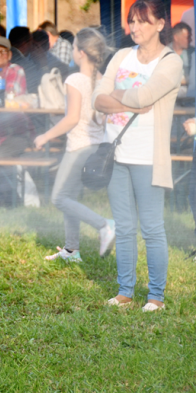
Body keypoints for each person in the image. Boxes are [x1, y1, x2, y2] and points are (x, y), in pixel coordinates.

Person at [93, 0, 183, 312]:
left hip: (148, 157)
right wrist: (125, 101)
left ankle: (156, 296)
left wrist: (114, 97)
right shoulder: (120, 56)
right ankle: (125, 292)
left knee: (152, 228)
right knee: (124, 226)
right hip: (115, 154)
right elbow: (97, 99)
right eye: (132, 21)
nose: (135, 27)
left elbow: (147, 96)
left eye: (143, 21)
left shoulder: (170, 62)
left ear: (160, 24)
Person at [33, 28, 115, 262]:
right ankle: (71, 250)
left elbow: (72, 118)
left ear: (80, 52)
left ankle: (104, 225)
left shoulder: (75, 79)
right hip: (96, 148)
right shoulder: (102, 81)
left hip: (78, 147)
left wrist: (45, 136)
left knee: (59, 198)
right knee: (70, 198)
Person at [171, 22, 193, 94]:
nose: (191, 40)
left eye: (190, 37)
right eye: (187, 37)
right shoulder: (164, 53)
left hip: (191, 97)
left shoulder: (193, 53)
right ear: (176, 38)